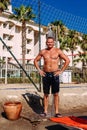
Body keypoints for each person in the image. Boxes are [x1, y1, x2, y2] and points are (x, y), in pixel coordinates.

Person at [34, 36, 70, 117]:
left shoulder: (58, 51)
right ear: (46, 43)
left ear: (53, 43)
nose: (49, 43)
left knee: (56, 94)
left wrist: (61, 71)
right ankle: (45, 111)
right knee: (46, 94)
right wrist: (39, 70)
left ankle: (57, 112)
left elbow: (67, 60)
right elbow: (35, 60)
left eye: (51, 42)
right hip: (45, 74)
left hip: (55, 74)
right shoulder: (43, 51)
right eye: (48, 42)